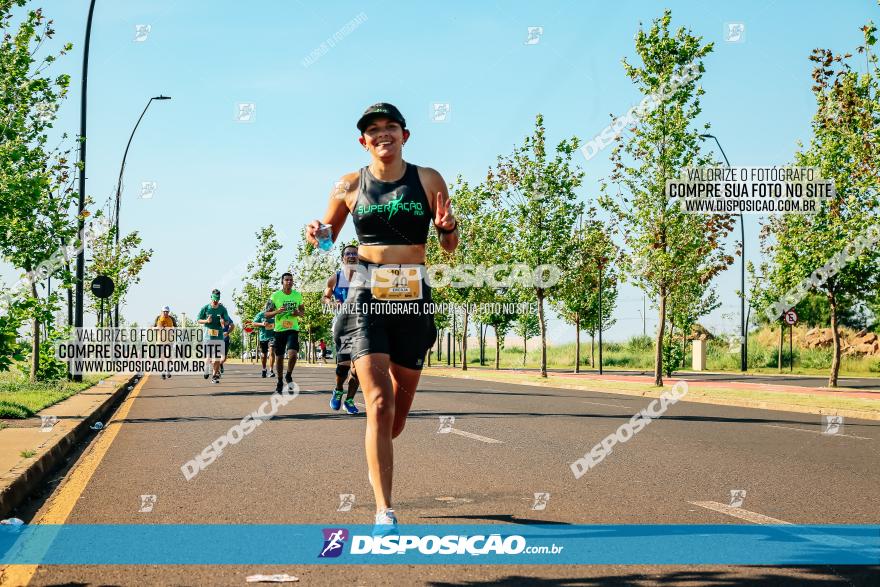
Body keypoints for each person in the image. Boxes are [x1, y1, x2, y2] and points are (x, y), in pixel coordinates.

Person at [306, 103, 458, 533]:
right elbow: (326, 242)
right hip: (366, 289)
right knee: (377, 403)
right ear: (363, 141)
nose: (383, 134)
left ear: (404, 135)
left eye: (391, 127)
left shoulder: (428, 179)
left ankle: (378, 445)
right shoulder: (349, 183)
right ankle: (383, 510)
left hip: (413, 291)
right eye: (374, 130)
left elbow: (449, 247)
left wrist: (446, 229)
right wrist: (316, 234)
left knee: (397, 414)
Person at [323, 244, 360, 414]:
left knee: (359, 368)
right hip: (344, 326)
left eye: (354, 253)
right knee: (344, 365)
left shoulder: (365, 278)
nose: (352, 256)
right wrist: (331, 303)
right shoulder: (336, 277)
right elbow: (325, 297)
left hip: (362, 326)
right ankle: (338, 390)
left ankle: (350, 400)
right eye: (348, 254)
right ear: (342, 258)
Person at [263, 273, 304, 393]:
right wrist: (277, 311)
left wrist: (298, 313)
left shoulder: (297, 295)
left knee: (293, 355)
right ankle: (280, 380)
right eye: (286, 280)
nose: (289, 282)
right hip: (279, 330)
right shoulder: (275, 296)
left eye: (291, 280)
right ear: (282, 282)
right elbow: (266, 314)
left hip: (293, 329)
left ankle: (289, 374)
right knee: (279, 357)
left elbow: (302, 312)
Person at [197, 289, 232, 383]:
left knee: (216, 358)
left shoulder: (222, 309)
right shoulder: (205, 308)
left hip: (219, 336)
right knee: (208, 356)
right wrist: (206, 321)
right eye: (214, 299)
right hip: (208, 336)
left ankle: (214, 376)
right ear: (211, 297)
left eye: (217, 299)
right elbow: (198, 320)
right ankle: (206, 369)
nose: (216, 301)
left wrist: (223, 322)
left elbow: (227, 321)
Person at [251, 308, 275, 378]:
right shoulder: (261, 314)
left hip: (273, 336)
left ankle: (271, 370)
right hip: (263, 337)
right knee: (264, 355)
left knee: (272, 351)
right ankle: (264, 369)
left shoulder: (275, 314)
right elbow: (253, 323)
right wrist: (262, 324)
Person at [154, 306, 176, 380]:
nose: (166, 313)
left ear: (169, 312)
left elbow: (175, 328)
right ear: (162, 311)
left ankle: (168, 370)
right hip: (160, 341)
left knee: (168, 356)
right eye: (164, 311)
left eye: (167, 311)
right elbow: (154, 328)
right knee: (162, 357)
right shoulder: (158, 318)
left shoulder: (171, 319)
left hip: (169, 341)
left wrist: (171, 331)